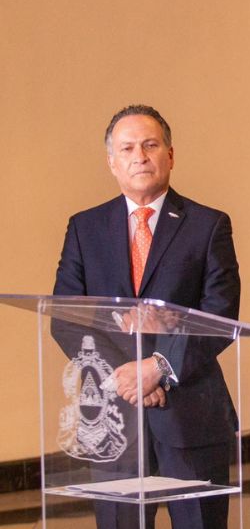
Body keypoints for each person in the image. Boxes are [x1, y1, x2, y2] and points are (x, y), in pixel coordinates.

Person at [53, 104, 240, 529]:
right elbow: (66, 318)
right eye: (128, 148)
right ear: (111, 162)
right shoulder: (84, 228)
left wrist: (158, 367)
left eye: (150, 145)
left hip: (190, 412)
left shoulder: (208, 225)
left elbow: (220, 314)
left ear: (169, 155)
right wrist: (128, 376)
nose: (139, 156)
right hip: (113, 416)